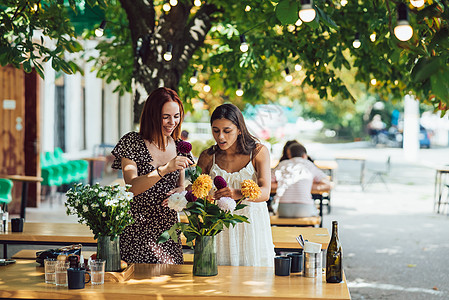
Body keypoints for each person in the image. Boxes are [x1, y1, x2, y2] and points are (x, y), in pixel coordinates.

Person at [111, 87, 193, 264]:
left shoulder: (180, 146)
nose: (172, 122)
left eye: (176, 116)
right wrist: (164, 169)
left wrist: (181, 191)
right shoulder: (132, 142)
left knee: (169, 287)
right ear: (152, 115)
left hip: (168, 233)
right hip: (136, 232)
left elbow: (182, 185)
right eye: (166, 117)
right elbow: (131, 187)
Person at [197, 103, 275, 267]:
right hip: (218, 229)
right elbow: (196, 193)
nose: (221, 137)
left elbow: (265, 192)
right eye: (216, 130)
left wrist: (238, 193)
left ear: (239, 129)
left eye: (227, 131)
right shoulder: (207, 156)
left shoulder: (258, 152)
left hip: (251, 226)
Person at [272, 143, 331, 218]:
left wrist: (283, 184)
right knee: (314, 214)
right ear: (304, 155)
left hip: (282, 208)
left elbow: (267, 183)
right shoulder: (309, 165)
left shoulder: (282, 164)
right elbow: (327, 184)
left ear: (289, 155)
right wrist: (309, 186)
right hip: (304, 208)